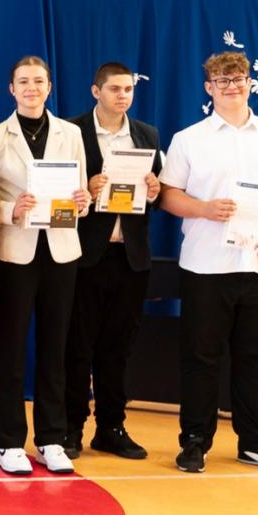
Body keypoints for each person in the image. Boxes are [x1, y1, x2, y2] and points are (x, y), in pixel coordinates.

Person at [158, 52, 258, 474]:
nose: (232, 86)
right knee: (201, 358)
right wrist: (203, 209)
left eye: (238, 78)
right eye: (222, 80)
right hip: (206, 266)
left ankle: (254, 441)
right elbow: (168, 196)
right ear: (209, 88)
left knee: (256, 358)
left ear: (250, 83)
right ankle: (195, 441)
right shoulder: (189, 138)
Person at [0, 56, 91, 475]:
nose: (31, 88)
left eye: (38, 81)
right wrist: (12, 209)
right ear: (11, 88)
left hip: (61, 252)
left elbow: (80, 193)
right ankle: (9, 442)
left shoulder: (71, 134)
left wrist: (84, 201)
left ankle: (51, 438)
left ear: (49, 87)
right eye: (23, 81)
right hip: (15, 254)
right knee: (10, 347)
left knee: (55, 348)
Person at [65, 62, 164, 461]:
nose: (123, 95)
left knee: (117, 348)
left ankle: (111, 427)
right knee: (77, 347)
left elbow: (156, 194)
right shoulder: (72, 132)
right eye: (115, 89)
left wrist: (154, 191)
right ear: (96, 91)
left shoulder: (147, 134)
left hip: (131, 256)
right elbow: (58, 193)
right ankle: (71, 427)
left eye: (128, 89)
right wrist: (84, 190)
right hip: (85, 255)